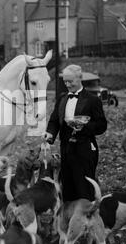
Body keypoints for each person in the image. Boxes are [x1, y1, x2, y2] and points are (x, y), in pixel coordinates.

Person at [43, 65, 107, 202]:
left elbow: (102, 125)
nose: (67, 84)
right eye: (65, 81)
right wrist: (50, 134)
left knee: (84, 188)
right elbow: (54, 120)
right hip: (66, 150)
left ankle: (86, 218)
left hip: (85, 150)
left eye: (70, 81)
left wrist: (84, 126)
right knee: (67, 187)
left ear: (79, 78)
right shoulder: (62, 98)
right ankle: (71, 219)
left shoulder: (92, 100)